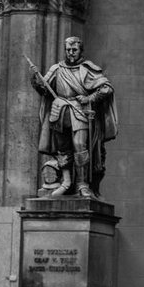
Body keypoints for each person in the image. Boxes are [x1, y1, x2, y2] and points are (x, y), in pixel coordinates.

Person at [30, 36, 117, 199]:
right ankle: (66, 182)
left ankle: (82, 184)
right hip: (59, 111)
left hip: (79, 111)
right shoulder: (56, 69)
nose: (71, 53)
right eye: (68, 50)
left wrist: (89, 98)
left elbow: (107, 88)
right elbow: (45, 89)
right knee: (62, 149)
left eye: (74, 50)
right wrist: (36, 81)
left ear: (80, 51)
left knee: (80, 146)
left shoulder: (88, 69)